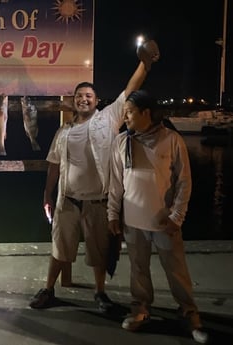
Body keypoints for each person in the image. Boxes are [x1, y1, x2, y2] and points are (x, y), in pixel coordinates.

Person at [29, 55, 158, 310]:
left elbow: (130, 89)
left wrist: (145, 64)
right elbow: (54, 165)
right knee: (59, 248)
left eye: (88, 95)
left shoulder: (108, 119)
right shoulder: (63, 132)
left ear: (96, 100)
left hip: (98, 201)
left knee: (98, 251)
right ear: (73, 101)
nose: (83, 99)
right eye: (79, 96)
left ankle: (100, 293)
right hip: (67, 200)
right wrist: (47, 195)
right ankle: (48, 289)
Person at [107, 90, 208, 343]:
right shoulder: (121, 141)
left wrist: (177, 216)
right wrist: (112, 214)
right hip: (132, 221)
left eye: (129, 112)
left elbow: (184, 182)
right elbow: (116, 183)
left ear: (146, 113)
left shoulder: (172, 140)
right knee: (138, 269)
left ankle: (189, 313)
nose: (125, 117)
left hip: (165, 222)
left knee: (176, 271)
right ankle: (140, 309)